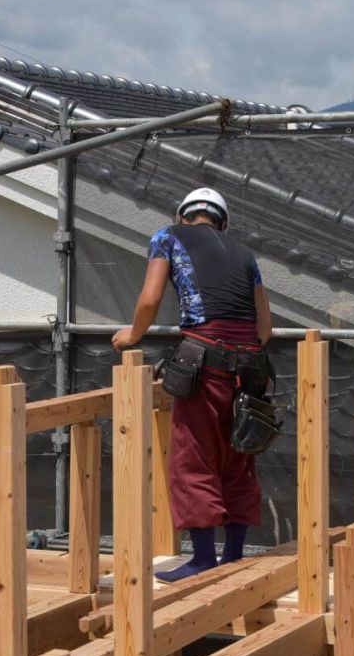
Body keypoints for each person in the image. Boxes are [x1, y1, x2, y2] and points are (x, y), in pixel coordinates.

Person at [112, 187, 272, 583]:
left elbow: (150, 298)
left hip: (205, 358)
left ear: (183, 215)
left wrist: (132, 335)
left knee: (193, 457)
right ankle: (233, 554)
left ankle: (202, 559)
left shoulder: (167, 236)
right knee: (238, 452)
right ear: (223, 221)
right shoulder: (245, 254)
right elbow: (264, 328)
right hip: (250, 363)